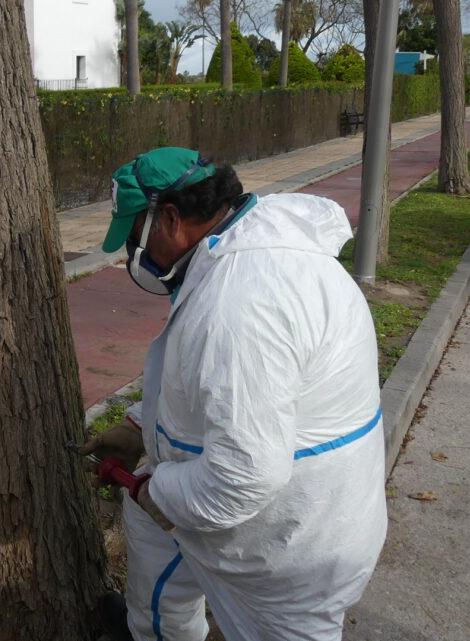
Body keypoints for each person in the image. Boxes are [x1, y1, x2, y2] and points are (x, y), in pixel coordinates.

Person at [81, 147, 387, 641]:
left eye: (136, 236)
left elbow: (243, 479)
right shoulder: (248, 248)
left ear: (172, 219)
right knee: (152, 544)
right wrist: (142, 425)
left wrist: (153, 489)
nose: (130, 254)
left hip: (281, 543)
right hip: (268, 506)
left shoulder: (240, 303)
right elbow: (223, 387)